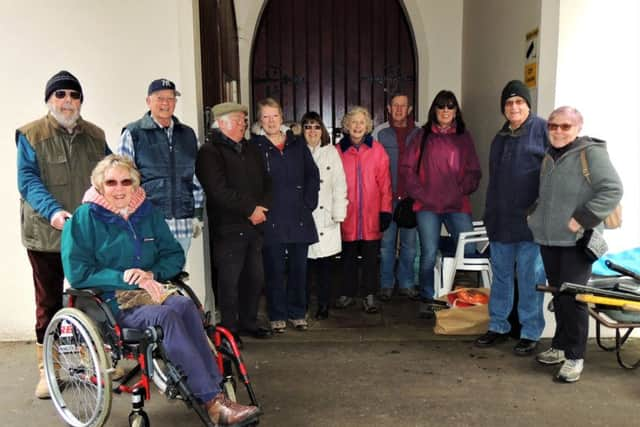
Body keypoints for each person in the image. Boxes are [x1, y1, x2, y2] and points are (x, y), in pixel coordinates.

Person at [61, 155, 261, 425]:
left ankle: (213, 391)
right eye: (111, 183)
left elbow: (173, 255)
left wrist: (151, 274)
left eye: (125, 182)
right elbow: (78, 273)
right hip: (110, 302)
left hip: (152, 290)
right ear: (99, 186)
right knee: (165, 318)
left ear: (135, 184)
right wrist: (125, 277)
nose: (119, 189)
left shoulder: (147, 212)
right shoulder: (84, 219)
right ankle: (213, 401)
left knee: (184, 306)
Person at [16, 70, 111, 398]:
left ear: (81, 101)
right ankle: (49, 367)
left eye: (73, 95)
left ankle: (97, 357)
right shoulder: (31, 135)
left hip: (86, 233)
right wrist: (54, 211)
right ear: (49, 100)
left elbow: (109, 175)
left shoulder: (96, 136)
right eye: (61, 95)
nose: (67, 101)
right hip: (45, 234)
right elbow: (27, 180)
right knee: (49, 301)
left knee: (93, 296)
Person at [528, 106, 623, 382]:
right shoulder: (549, 156)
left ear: (578, 128)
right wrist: (533, 215)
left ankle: (575, 357)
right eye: (553, 125)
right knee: (560, 296)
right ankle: (559, 346)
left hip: (577, 242)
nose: (558, 131)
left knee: (574, 300)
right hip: (550, 240)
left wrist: (582, 218)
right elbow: (546, 195)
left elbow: (613, 189)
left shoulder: (590, 153)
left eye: (565, 126)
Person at [475, 80, 548, 355]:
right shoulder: (500, 137)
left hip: (530, 225)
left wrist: (538, 211)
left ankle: (530, 332)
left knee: (529, 278)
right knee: (502, 277)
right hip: (500, 221)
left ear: (528, 105)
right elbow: (494, 181)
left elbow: (551, 176)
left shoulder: (542, 131)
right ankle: (498, 326)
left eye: (519, 102)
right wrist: (489, 215)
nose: (514, 107)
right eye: (509, 103)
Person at [195, 102, 273, 343]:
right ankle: (229, 330)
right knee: (230, 281)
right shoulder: (210, 152)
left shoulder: (250, 149)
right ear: (222, 123)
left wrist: (262, 208)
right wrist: (249, 209)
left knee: (255, 277)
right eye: (238, 121)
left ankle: (249, 322)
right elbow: (217, 190)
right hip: (229, 228)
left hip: (255, 225)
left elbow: (267, 182)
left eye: (244, 121)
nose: (243, 125)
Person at [401, 90, 482, 319]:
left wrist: (461, 190)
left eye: (450, 106)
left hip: (457, 205)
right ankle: (428, 299)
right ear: (434, 110)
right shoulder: (422, 136)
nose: (445, 111)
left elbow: (474, 171)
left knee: (468, 251)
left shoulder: (464, 137)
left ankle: (460, 298)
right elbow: (407, 170)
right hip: (427, 207)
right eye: (441, 106)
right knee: (428, 253)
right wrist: (422, 194)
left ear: (456, 111)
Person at [252, 98, 320, 332]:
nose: (271, 121)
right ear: (260, 121)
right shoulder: (255, 147)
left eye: (275, 116)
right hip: (271, 219)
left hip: (298, 217)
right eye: (265, 117)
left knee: (299, 270)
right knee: (274, 270)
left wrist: (309, 202)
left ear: (282, 118)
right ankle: (277, 314)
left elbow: (312, 174)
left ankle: (297, 312)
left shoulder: (297, 144)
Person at [118, 78, 204, 255]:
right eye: (160, 98)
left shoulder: (188, 134)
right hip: (147, 222)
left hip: (182, 224)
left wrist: (197, 215)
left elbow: (196, 178)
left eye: (171, 98)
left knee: (176, 276)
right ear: (148, 101)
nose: (166, 103)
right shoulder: (133, 133)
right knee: (150, 277)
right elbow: (123, 179)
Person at [336, 106, 393, 314]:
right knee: (348, 256)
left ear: (367, 126)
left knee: (370, 257)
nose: (358, 126)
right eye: (354, 122)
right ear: (347, 126)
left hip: (371, 214)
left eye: (362, 122)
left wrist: (385, 210)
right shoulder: (337, 151)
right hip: (347, 214)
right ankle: (347, 293)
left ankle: (370, 295)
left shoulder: (377, 150)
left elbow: (385, 184)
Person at [373, 93, 421, 301]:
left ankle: (407, 283)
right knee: (386, 246)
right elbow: (373, 164)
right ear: (389, 109)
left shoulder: (420, 132)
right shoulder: (380, 132)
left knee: (410, 246)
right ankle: (385, 284)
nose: (399, 109)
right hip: (386, 199)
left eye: (404, 105)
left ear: (410, 109)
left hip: (411, 199)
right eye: (395, 106)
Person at [301, 111, 348, 320]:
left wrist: (339, 213)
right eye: (308, 127)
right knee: (304, 267)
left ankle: (323, 305)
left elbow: (340, 185)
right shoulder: (296, 151)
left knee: (325, 268)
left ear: (323, 130)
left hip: (326, 217)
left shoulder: (331, 152)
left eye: (316, 127)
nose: (312, 131)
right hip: (303, 218)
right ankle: (301, 306)